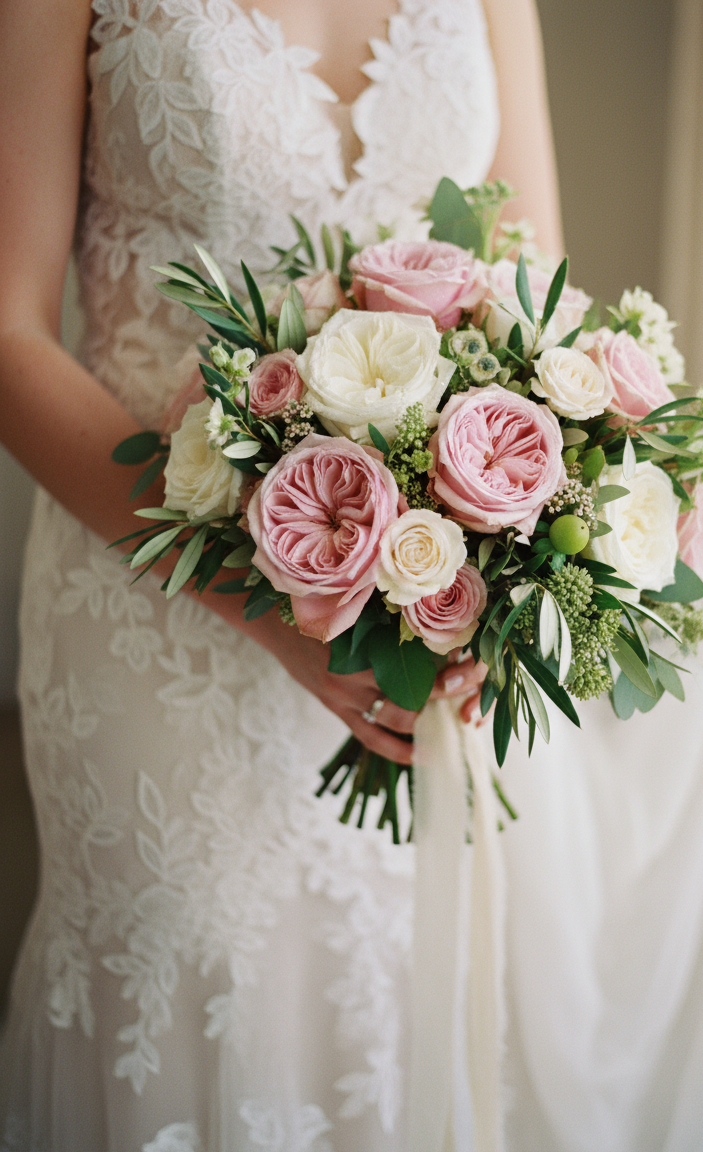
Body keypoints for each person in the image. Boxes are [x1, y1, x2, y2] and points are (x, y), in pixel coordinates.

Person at [0, 0, 566, 1148]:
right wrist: (267, 608)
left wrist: (485, 585)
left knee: (383, 1000)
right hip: (152, 607)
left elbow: (533, 292)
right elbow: (4, 329)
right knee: (190, 1000)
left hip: (403, 616)